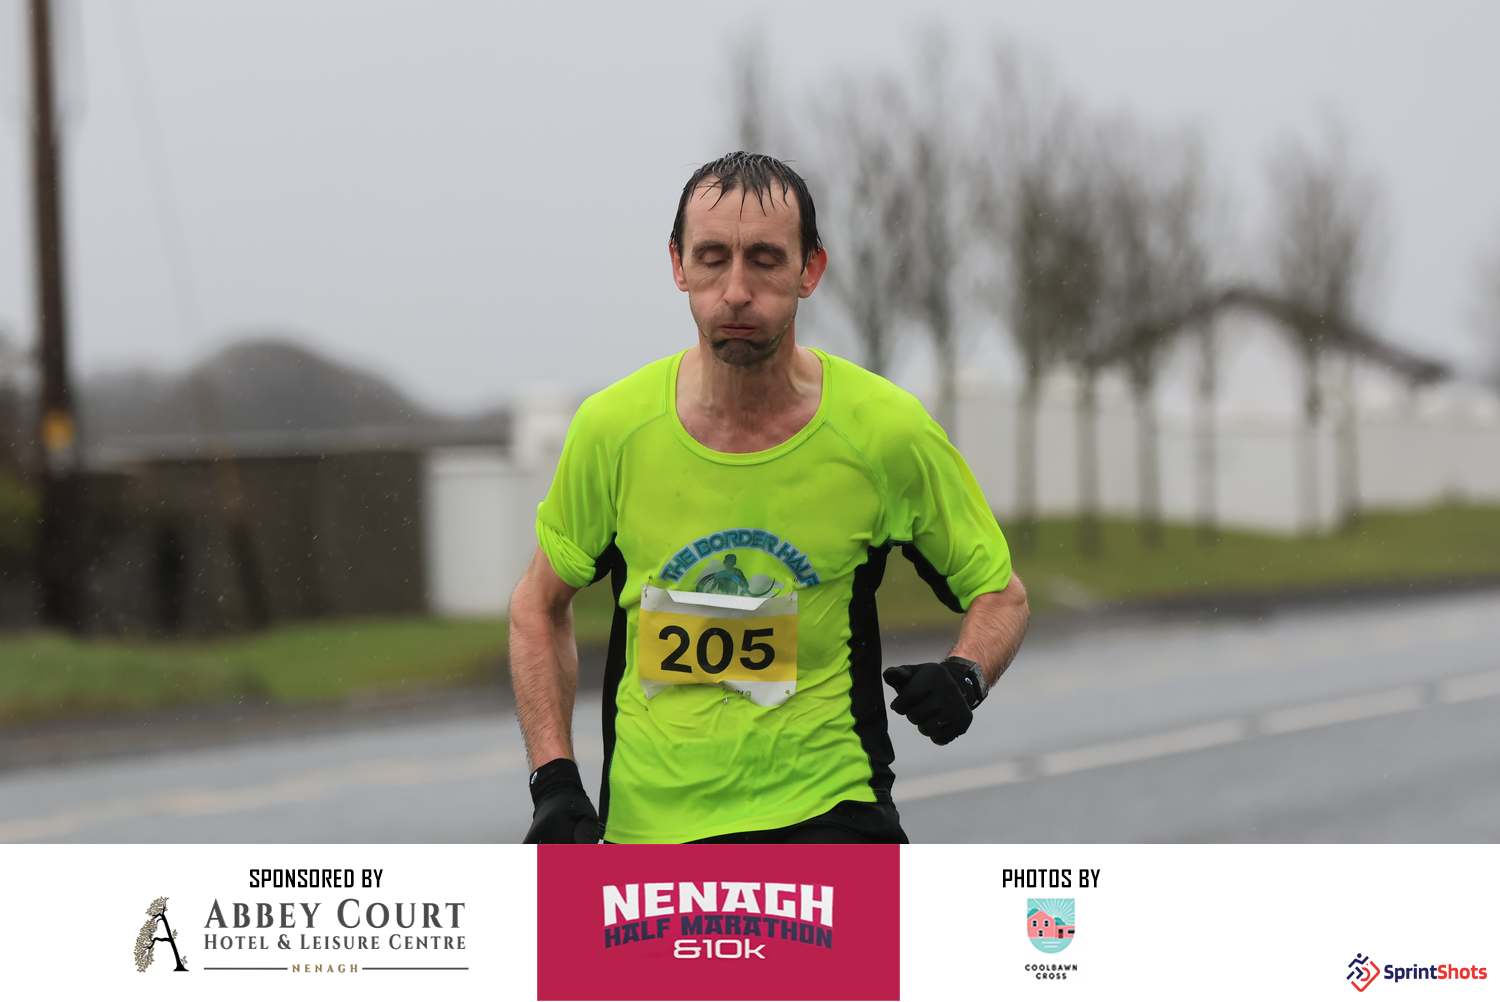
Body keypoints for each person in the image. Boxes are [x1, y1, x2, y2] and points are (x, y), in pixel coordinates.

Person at [509, 152, 1029, 844]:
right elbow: (537, 607)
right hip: (653, 835)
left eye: (764, 259)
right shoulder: (614, 430)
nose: (736, 290)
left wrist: (965, 676)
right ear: (678, 265)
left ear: (810, 270)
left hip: (833, 815)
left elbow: (1001, 594)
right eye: (712, 258)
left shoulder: (885, 432)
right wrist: (553, 781)